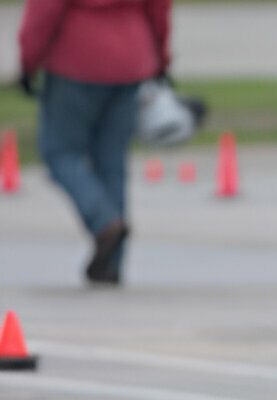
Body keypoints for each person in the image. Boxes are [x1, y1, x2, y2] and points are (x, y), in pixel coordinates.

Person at [18, 0, 172, 286]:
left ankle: (104, 221)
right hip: (131, 58)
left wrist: (29, 62)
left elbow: (44, 11)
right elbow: (159, 9)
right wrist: (160, 59)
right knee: (112, 162)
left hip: (75, 61)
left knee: (60, 153)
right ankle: (111, 264)